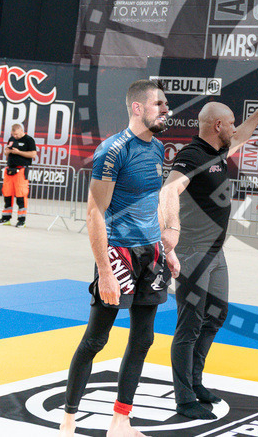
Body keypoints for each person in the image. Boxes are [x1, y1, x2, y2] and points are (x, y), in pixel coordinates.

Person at [60, 80, 180, 437]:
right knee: (97, 338)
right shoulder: (113, 151)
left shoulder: (158, 149)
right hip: (119, 254)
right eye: (159, 104)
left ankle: (121, 421)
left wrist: (164, 251)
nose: (165, 110)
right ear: (137, 108)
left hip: (151, 253)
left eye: (166, 104)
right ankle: (67, 421)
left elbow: (151, 202)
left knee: (143, 339)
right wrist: (105, 272)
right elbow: (94, 213)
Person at [160, 97, 258, 419]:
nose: (235, 128)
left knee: (216, 315)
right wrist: (170, 234)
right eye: (231, 122)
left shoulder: (217, 151)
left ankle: (195, 383)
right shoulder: (193, 155)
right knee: (190, 325)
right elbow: (168, 192)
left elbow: (242, 135)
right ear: (217, 125)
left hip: (214, 252)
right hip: (192, 251)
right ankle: (184, 399)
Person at [0, 123, 37, 227]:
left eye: (16, 134)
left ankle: (22, 220)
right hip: (9, 169)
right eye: (13, 134)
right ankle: (5, 218)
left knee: (21, 195)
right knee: (7, 193)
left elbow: (33, 154)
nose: (15, 136)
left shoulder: (29, 140)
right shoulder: (11, 139)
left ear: (21, 130)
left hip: (21, 170)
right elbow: (6, 152)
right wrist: (7, 152)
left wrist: (18, 152)